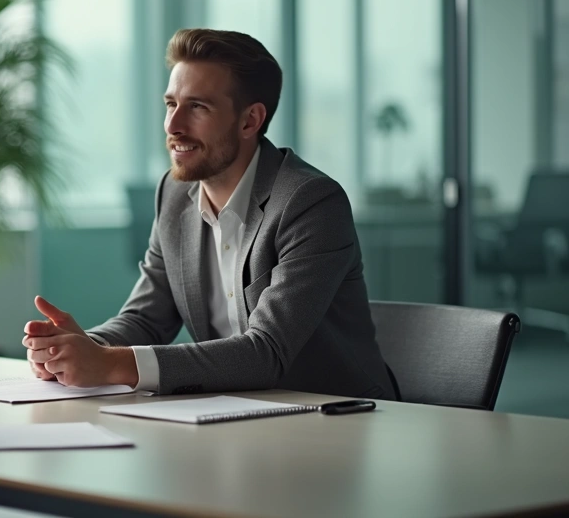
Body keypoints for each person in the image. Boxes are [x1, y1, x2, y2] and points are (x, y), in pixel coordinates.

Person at [22, 28, 397, 400]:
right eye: (171, 104)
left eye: (197, 107)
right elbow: (145, 319)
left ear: (249, 121)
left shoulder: (310, 203)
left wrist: (108, 363)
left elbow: (266, 352)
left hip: (337, 415)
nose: (173, 126)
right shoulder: (173, 195)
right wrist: (76, 349)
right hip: (235, 412)